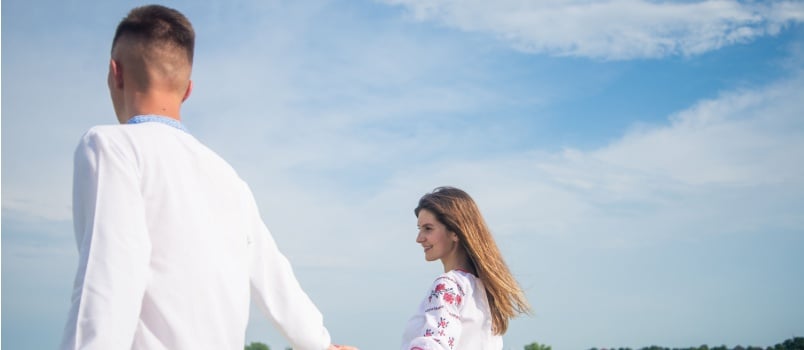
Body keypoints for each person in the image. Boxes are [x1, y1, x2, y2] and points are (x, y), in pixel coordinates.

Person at [60, 5, 355, 350]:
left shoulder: (111, 147)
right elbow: (276, 281)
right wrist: (321, 344)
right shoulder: (229, 178)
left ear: (115, 74)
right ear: (187, 90)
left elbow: (108, 278)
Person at [401, 186, 532, 349]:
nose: (419, 238)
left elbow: (434, 345)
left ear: (455, 232)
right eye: (419, 229)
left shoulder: (448, 285)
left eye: (428, 228)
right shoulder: (486, 292)